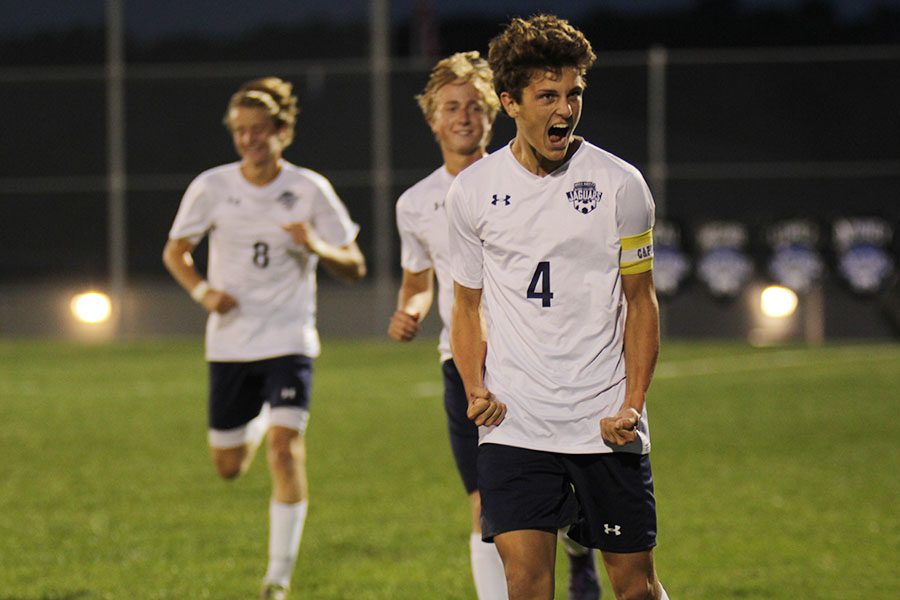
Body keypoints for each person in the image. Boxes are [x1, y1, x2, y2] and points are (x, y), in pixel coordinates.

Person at [447, 15, 670, 600]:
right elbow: (466, 305)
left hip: (603, 426)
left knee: (636, 588)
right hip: (515, 426)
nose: (565, 110)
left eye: (573, 93)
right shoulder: (472, 192)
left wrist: (633, 403)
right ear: (510, 102)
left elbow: (641, 302)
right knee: (525, 585)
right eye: (548, 95)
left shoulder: (621, 186)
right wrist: (475, 388)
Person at [389, 52, 602, 600]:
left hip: (536, 357)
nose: (463, 117)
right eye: (451, 108)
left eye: (474, 107)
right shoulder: (415, 204)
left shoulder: (530, 180)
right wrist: (410, 312)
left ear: (495, 112)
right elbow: (419, 283)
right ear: (432, 118)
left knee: (563, 496)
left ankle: (579, 547)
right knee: (488, 503)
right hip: (465, 365)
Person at [162, 76, 366, 600]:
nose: (250, 140)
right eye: (240, 131)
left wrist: (316, 244)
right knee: (228, 467)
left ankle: (277, 579)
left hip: (289, 337)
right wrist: (203, 291)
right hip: (230, 342)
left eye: (259, 130)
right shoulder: (212, 186)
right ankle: (254, 423)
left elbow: (355, 265)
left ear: (283, 132)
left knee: (285, 448)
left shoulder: (309, 188)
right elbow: (175, 252)